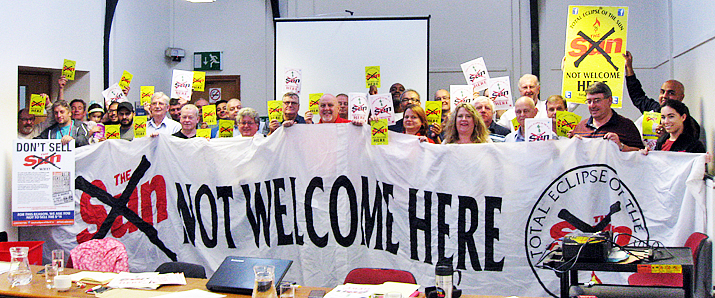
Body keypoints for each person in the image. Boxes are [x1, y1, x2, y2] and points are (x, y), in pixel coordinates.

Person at [623, 51, 701, 139]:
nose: (665, 96)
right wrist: (629, 68)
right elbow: (637, 95)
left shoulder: (690, 124)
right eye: (662, 92)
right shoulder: (654, 109)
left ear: (681, 97)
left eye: (671, 93)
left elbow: (684, 150)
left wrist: (666, 137)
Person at [571, 82, 644, 151]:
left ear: (609, 100)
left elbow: (641, 155)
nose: (592, 105)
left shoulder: (627, 126)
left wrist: (621, 147)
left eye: (597, 101)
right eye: (589, 101)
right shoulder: (580, 127)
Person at [640, 99, 705, 154]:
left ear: (683, 117)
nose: (666, 121)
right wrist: (650, 155)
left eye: (671, 116)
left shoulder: (694, 145)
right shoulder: (660, 142)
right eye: (663, 117)